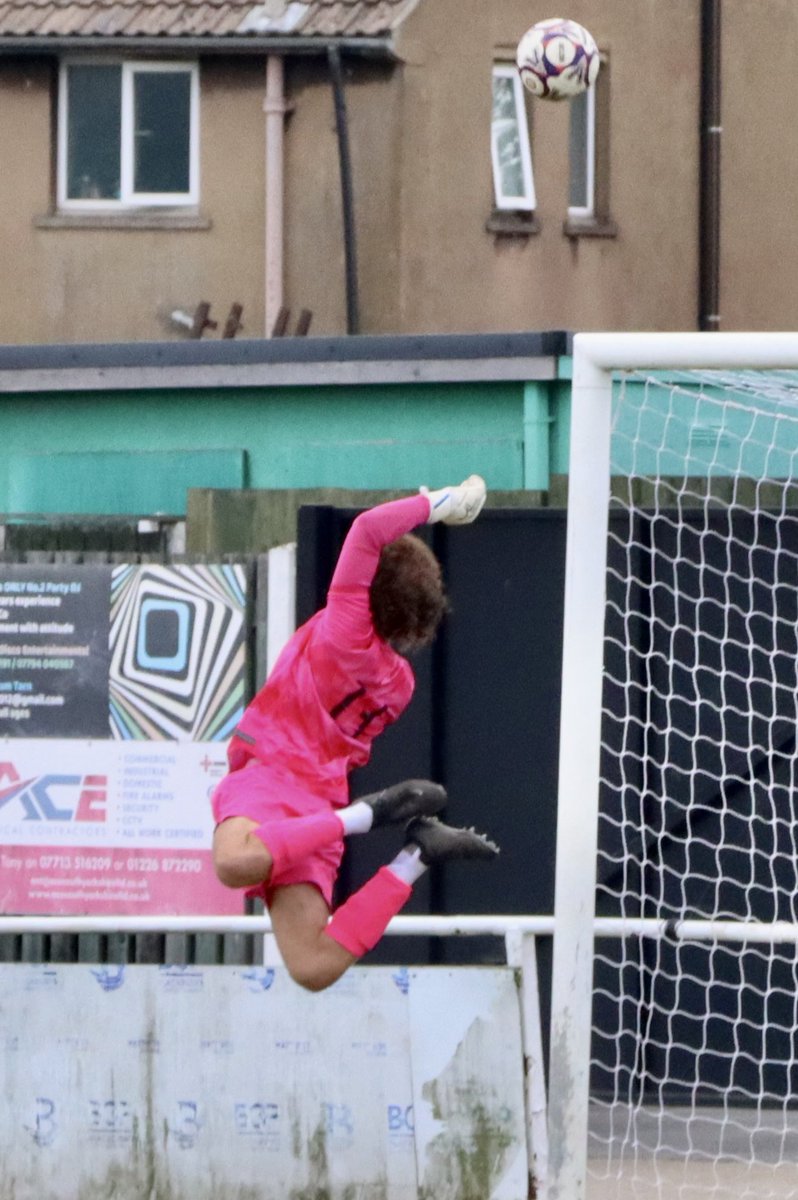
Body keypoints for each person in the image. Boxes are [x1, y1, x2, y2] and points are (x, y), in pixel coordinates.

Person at [211, 476, 498, 992]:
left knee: (234, 862)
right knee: (314, 966)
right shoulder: (401, 685)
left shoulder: (345, 628)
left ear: (371, 585)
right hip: (317, 802)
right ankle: (417, 856)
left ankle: (368, 815)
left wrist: (439, 503)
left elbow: (368, 529)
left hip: (275, 779)